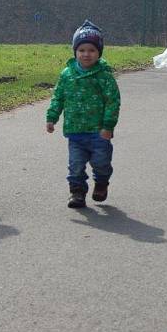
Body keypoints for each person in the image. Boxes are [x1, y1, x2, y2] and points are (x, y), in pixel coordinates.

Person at [46, 20, 121, 209]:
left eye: (91, 50)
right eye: (82, 50)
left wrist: (108, 126)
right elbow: (58, 97)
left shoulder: (104, 76)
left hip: (99, 132)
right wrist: (52, 117)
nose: (86, 54)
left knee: (101, 163)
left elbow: (113, 102)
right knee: (75, 166)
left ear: (99, 52)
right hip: (75, 131)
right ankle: (77, 193)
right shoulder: (67, 74)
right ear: (75, 52)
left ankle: (101, 183)